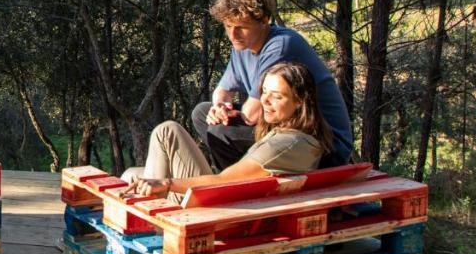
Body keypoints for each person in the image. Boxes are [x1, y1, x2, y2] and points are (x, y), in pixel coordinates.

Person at [192, 0, 353, 169]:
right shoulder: (243, 46)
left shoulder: (281, 45)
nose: (233, 35)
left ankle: (241, 186)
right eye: (228, 26)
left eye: (241, 27)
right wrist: (219, 107)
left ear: (265, 20)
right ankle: (243, 179)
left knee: (221, 131)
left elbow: (252, 115)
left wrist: (224, 117)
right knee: (202, 113)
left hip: (321, 144)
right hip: (284, 129)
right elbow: (223, 90)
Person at [123, 61, 334, 198]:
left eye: (277, 96)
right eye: (265, 92)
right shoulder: (303, 137)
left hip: (220, 213)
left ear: (299, 102)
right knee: (131, 175)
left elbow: (223, 182)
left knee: (167, 131)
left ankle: (150, 226)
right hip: (238, 205)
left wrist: (166, 183)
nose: (265, 101)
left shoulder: (283, 146)